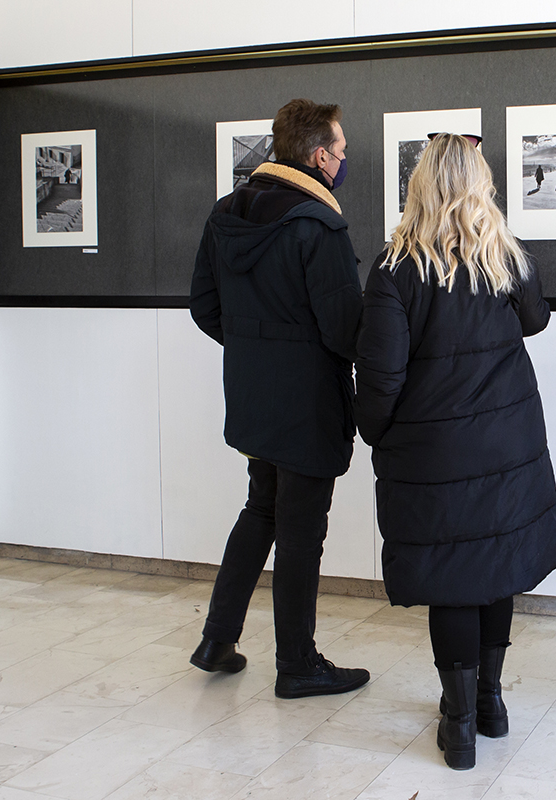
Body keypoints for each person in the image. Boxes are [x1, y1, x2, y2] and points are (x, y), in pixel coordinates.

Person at [354, 134, 556, 770]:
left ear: (420, 186)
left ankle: (461, 722)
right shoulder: (504, 257)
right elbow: (537, 320)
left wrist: (375, 433)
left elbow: (381, 377)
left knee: (454, 579)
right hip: (507, 442)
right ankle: (492, 701)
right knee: (496, 564)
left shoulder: (395, 269)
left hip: (434, 449)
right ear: (479, 185)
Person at [188, 98, 370, 700]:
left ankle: (218, 639)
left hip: (251, 398)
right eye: (340, 152)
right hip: (308, 403)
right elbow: (347, 330)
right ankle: (296, 663)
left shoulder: (225, 214)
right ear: (319, 156)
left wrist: (257, 350)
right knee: (299, 532)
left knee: (261, 510)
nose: (343, 162)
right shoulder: (319, 225)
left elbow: (205, 308)